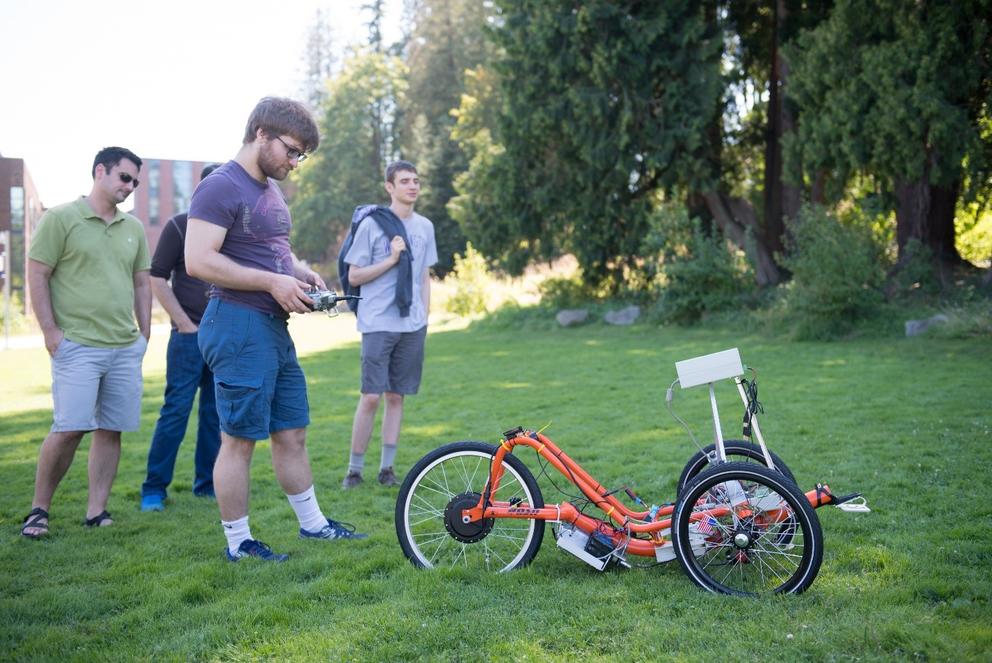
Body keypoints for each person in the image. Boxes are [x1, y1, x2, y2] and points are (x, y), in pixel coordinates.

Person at [185, 96, 366, 562]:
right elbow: (198, 260)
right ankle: (239, 543)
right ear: (261, 134)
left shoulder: (269, 189)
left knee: (291, 432)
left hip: (271, 326)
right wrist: (271, 281)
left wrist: (299, 271)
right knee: (239, 439)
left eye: (301, 155)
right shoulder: (220, 187)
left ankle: (313, 526)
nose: (295, 162)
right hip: (237, 322)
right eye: (292, 150)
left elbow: (274, 250)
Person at [21, 147, 151, 538]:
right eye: (124, 178)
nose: (130, 187)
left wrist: (143, 335)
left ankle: (97, 510)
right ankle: (38, 510)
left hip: (123, 348)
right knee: (69, 428)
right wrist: (50, 332)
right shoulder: (61, 218)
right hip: (76, 345)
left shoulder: (134, 228)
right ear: (100, 171)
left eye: (135, 182)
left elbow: (142, 282)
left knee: (111, 429)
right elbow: (38, 273)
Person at [342, 160, 437, 489]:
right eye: (405, 181)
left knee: (397, 397)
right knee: (371, 397)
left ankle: (387, 469)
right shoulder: (372, 225)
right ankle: (354, 470)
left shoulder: (425, 226)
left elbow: (424, 274)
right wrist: (391, 260)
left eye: (416, 181)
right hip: (378, 321)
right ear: (389, 187)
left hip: (412, 323)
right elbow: (354, 275)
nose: (413, 186)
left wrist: (425, 313)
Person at [140, 163, 223, 512]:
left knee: (215, 415)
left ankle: (206, 485)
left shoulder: (232, 229)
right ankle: (154, 489)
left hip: (221, 339)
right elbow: (157, 278)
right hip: (188, 339)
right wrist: (184, 324)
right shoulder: (179, 225)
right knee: (175, 411)